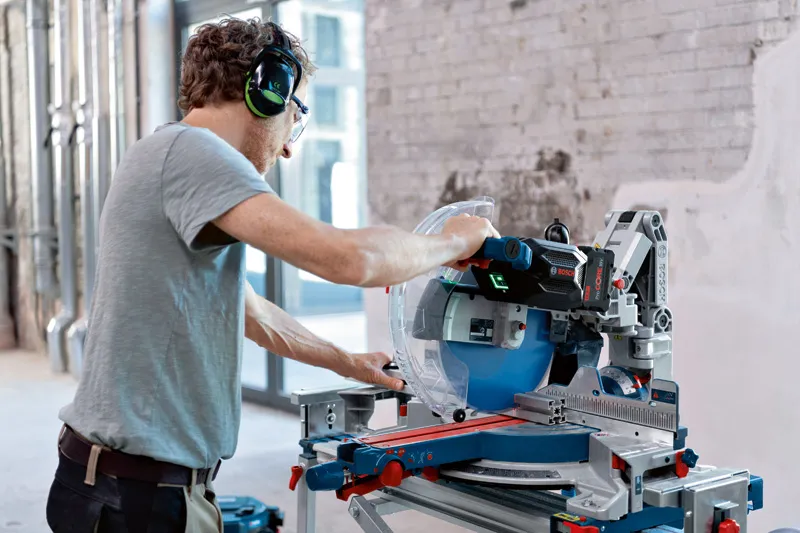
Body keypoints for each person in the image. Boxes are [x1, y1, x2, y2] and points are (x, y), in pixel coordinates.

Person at [44, 17, 499, 533]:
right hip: (139, 497)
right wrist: (457, 241)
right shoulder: (194, 154)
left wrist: (352, 363)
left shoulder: (165, 156)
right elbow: (348, 259)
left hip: (117, 485)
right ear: (267, 90)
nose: (288, 147)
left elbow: (254, 314)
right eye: (294, 115)